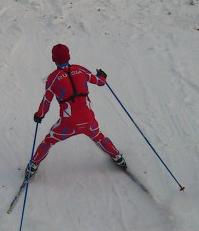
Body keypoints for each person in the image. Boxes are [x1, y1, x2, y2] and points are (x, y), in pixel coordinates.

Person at [25, 44, 127, 179]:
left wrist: (39, 115)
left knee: (48, 141)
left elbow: (46, 102)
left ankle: (33, 166)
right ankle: (117, 157)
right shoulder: (80, 70)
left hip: (68, 125)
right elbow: (100, 82)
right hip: (88, 120)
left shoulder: (53, 78)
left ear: (53, 59)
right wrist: (102, 76)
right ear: (69, 56)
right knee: (99, 137)